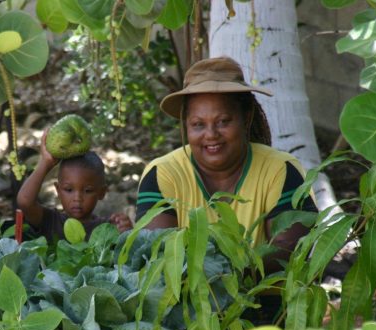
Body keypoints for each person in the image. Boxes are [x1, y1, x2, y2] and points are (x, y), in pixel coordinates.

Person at [135, 56, 317, 275]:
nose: (211, 135)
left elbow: (290, 253)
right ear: (185, 126)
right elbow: (158, 254)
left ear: (246, 117)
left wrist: (219, 274)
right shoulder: (163, 174)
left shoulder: (280, 170)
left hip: (267, 302)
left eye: (223, 121)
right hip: (184, 305)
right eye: (198, 124)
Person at [17, 130, 133, 243]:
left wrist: (125, 233)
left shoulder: (106, 228)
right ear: (58, 190)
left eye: (87, 191)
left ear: (101, 192)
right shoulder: (50, 220)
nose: (77, 198)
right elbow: (25, 202)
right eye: (69, 190)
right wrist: (46, 163)